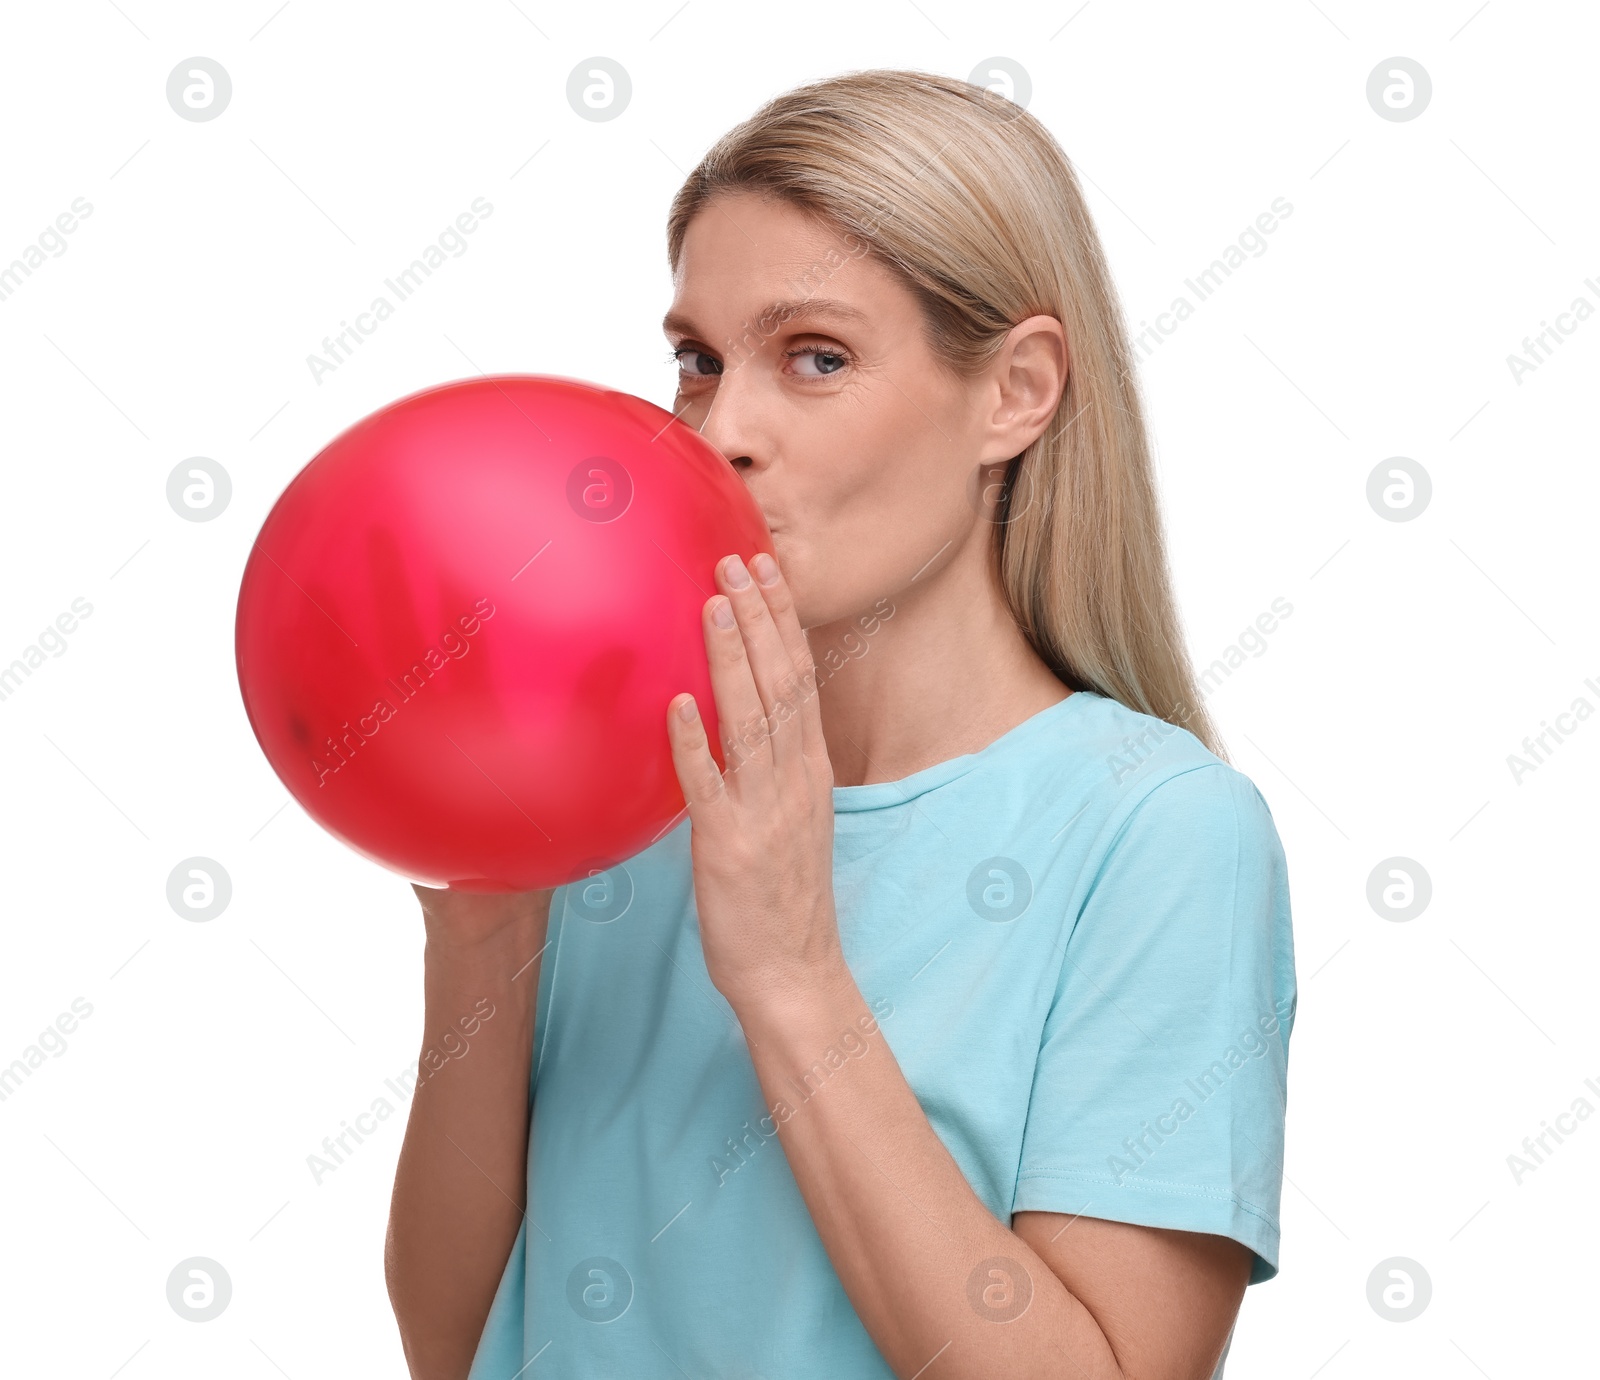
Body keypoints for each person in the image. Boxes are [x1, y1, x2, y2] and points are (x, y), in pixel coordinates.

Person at [385, 67, 1296, 1380]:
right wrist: (482, 939)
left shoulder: (1158, 837)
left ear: (1015, 393)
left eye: (814, 357)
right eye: (699, 360)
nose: (723, 430)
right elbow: (457, 1345)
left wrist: (793, 978)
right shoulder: (628, 795)